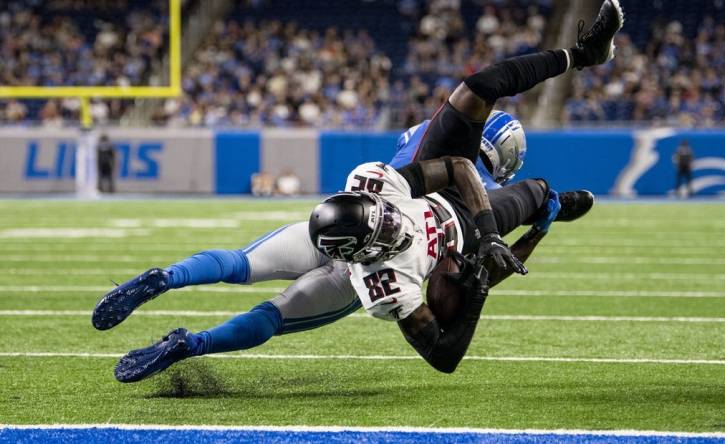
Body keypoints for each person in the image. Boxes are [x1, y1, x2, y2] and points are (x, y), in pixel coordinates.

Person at [98, 0, 622, 381]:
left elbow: (471, 166)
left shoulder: (377, 185)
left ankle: (171, 279)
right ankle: (194, 344)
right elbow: (477, 188)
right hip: (394, 248)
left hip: (363, 224)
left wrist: (507, 240)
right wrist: (499, 240)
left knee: (241, 264)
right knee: (273, 315)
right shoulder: (390, 269)